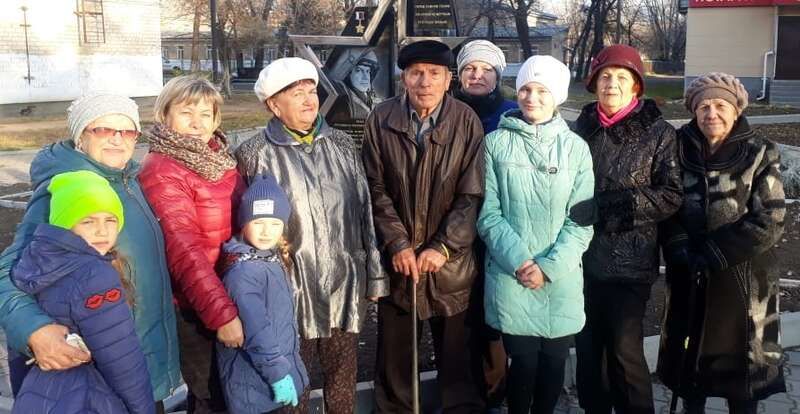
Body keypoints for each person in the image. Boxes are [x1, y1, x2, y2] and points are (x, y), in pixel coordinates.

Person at [0, 93, 181, 413]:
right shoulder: (68, 190)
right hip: (98, 375)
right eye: (103, 129)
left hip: (137, 360)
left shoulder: (129, 181)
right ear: (81, 136)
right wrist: (34, 330)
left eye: (127, 131)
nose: (117, 139)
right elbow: (9, 271)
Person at [236, 57, 388, 414]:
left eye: (311, 91)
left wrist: (375, 275)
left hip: (343, 283)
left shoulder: (342, 145)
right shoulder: (253, 154)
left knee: (342, 379)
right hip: (288, 292)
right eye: (296, 93)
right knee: (292, 383)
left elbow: (364, 209)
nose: (308, 100)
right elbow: (242, 231)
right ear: (273, 105)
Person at [362, 40, 486, 413]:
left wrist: (443, 246)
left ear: (449, 79)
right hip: (399, 263)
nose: (425, 82)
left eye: (434, 73)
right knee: (395, 361)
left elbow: (472, 194)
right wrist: (398, 243)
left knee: (457, 361)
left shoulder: (466, 120)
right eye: (416, 73)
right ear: (404, 78)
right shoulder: (381, 118)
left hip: (450, 264)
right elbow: (374, 187)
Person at [658, 73, 786, 414]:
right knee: (690, 370)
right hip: (689, 272)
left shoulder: (760, 151)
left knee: (741, 379)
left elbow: (772, 217)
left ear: (736, 110)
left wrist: (716, 251)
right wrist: (678, 244)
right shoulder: (677, 146)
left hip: (743, 278)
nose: (711, 114)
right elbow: (667, 203)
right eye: (703, 107)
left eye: (720, 105)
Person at [478, 55, 595, 414]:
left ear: (557, 95)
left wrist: (548, 267)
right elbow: (488, 214)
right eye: (526, 89)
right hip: (512, 276)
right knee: (524, 364)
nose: (532, 98)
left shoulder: (576, 148)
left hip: (559, 279)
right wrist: (521, 261)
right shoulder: (495, 144)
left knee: (553, 365)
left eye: (542, 91)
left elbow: (581, 221)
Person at [572, 44, 683, 414]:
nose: (612, 84)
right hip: (580, 260)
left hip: (629, 264)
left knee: (624, 350)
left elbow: (670, 195)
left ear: (636, 86)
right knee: (588, 351)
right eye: (605, 76)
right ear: (594, 83)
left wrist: (609, 207)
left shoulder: (659, 133)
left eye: (622, 77)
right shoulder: (579, 129)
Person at [139, 76, 246, 413]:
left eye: (205, 114)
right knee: (210, 396)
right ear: (165, 115)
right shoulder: (163, 170)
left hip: (231, 289)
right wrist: (221, 315)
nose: (197, 124)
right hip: (195, 305)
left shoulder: (219, 159)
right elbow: (184, 250)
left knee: (232, 390)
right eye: (186, 113)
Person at [11, 170, 154, 414]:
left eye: (110, 220)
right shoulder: (95, 276)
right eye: (88, 221)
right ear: (65, 224)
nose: (102, 231)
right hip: (91, 396)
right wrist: (142, 408)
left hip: (46, 393)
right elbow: (121, 359)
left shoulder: (35, 260)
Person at [216, 175, 309, 414]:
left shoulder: (268, 259)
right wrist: (278, 375)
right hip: (257, 386)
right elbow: (257, 331)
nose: (267, 231)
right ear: (243, 223)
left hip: (269, 378)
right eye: (258, 222)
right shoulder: (243, 272)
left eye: (275, 224)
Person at [453, 39, 517, 134]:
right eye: (469, 68)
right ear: (460, 75)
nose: (477, 76)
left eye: (486, 69)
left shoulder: (514, 114)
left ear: (497, 78)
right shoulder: (443, 111)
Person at [328, 48, 382, 122]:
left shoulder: (372, 99)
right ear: (347, 74)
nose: (366, 77)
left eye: (368, 71)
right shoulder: (342, 104)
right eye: (359, 70)